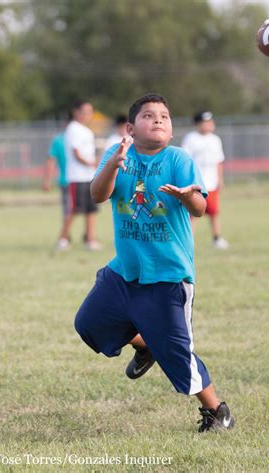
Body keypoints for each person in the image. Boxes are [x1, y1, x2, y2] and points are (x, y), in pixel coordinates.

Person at [74, 94, 234, 432]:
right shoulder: (119, 154)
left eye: (164, 116)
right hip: (125, 271)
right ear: (131, 128)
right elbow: (98, 195)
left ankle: (217, 410)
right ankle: (146, 345)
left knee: (177, 352)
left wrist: (187, 195)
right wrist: (113, 166)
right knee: (89, 323)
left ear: (172, 128)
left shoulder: (178, 158)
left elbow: (200, 208)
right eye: (148, 115)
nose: (158, 120)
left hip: (168, 275)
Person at [58, 100, 102, 251]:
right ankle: (63, 239)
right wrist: (92, 163)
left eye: (90, 112)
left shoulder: (86, 130)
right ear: (76, 112)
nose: (87, 115)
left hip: (89, 176)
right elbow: (76, 153)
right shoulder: (73, 129)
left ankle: (90, 240)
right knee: (75, 209)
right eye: (84, 112)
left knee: (91, 210)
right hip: (77, 177)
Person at [181, 111, 229, 249]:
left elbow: (219, 161)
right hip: (196, 183)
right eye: (205, 122)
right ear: (197, 124)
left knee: (213, 212)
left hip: (212, 182)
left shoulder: (215, 139)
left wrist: (220, 179)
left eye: (210, 122)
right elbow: (186, 161)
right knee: (193, 213)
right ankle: (188, 241)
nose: (209, 125)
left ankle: (217, 238)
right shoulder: (191, 138)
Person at [42, 127, 70, 238]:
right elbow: (51, 161)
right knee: (86, 211)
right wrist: (47, 181)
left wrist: (47, 181)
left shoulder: (58, 139)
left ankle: (66, 237)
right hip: (73, 181)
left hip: (68, 181)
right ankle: (66, 237)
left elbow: (51, 161)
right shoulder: (59, 140)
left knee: (68, 211)